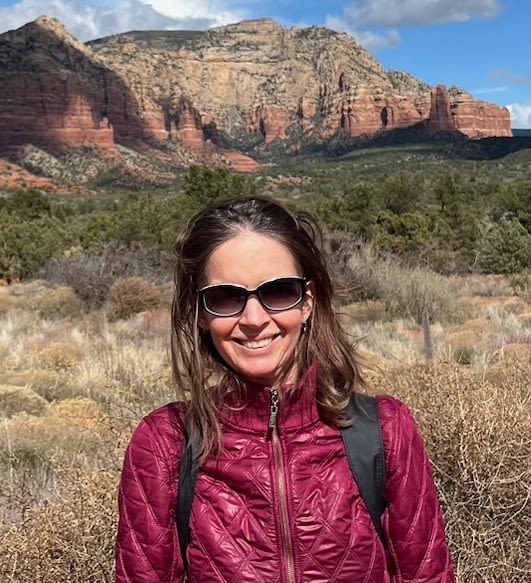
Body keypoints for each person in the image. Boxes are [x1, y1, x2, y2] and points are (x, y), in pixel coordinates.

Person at [115, 195, 454, 582]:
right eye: (225, 297)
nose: (254, 319)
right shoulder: (165, 443)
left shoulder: (385, 432)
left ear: (307, 302)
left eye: (278, 291)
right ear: (201, 313)